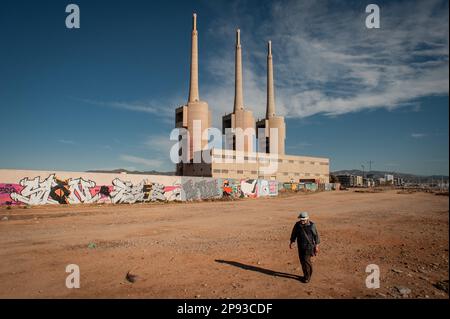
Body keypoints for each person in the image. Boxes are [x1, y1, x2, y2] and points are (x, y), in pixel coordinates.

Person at [289, 212, 320, 283]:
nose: (302, 221)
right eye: (301, 219)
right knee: (302, 261)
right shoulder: (297, 225)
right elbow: (294, 233)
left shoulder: (312, 225)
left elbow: (316, 236)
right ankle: (306, 275)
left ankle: (307, 277)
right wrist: (292, 242)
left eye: (304, 220)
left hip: (308, 247)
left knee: (306, 261)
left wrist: (317, 246)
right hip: (300, 246)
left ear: (307, 219)